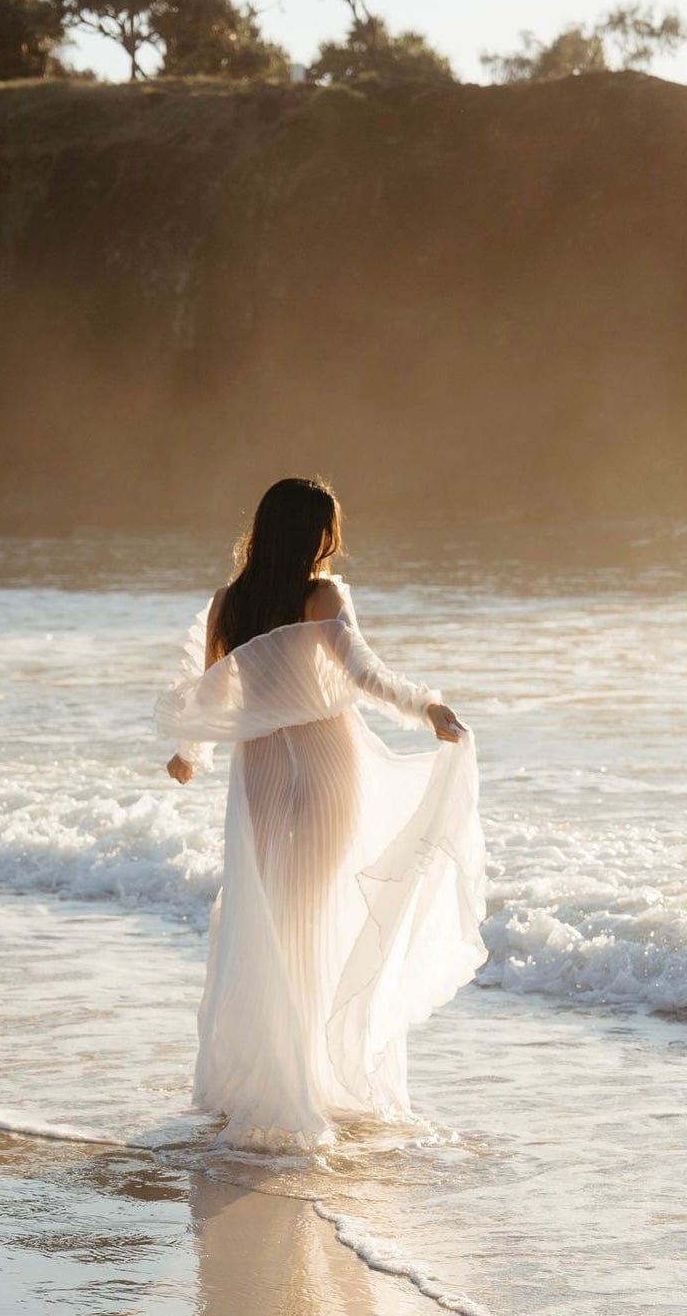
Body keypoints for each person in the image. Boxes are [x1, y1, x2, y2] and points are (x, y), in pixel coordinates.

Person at [156, 477, 487, 1152]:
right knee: (306, 917)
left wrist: (188, 753)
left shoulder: (230, 602)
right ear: (315, 533)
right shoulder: (323, 595)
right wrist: (425, 706)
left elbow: (205, 688)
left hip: (259, 769)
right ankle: (303, 1080)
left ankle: (267, 1079)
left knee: (263, 918)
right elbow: (363, 671)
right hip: (326, 763)